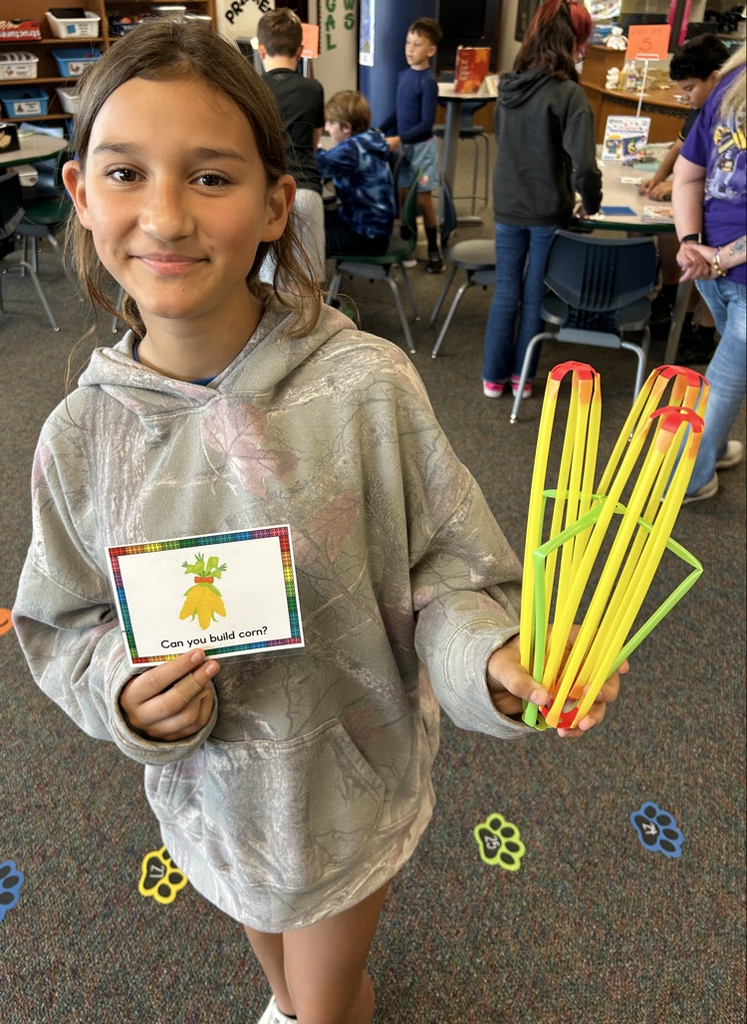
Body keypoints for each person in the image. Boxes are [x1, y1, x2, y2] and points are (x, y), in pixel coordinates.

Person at [12, 21, 623, 1024]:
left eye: (210, 178)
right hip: (214, 804)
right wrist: (124, 696)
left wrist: (496, 664)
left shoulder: (366, 388)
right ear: (81, 196)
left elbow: (444, 573)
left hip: (349, 791)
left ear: (270, 204)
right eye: (126, 172)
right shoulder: (80, 439)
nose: (163, 216)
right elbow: (66, 624)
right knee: (284, 971)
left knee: (323, 1003)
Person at [481, 0, 601, 401]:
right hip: (549, 208)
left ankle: (493, 379)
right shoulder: (569, 95)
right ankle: (522, 377)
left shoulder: (508, 85)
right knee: (534, 292)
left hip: (508, 202)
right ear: (573, 41)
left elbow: (506, 140)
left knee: (505, 290)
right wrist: (592, 201)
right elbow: (585, 164)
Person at [673, 43, 746, 505]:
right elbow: (688, 175)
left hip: (715, 262)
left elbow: (687, 176)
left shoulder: (730, 88)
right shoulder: (729, 91)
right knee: (727, 377)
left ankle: (705, 461)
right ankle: (704, 466)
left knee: (725, 374)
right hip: (715, 264)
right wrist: (695, 248)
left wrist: (696, 248)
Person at [638, 34, 729, 363]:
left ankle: (703, 334)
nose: (685, 97)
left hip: (720, 219)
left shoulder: (727, 114)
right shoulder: (700, 108)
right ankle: (674, 304)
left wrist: (674, 183)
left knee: (711, 273)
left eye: (690, 88)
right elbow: (681, 147)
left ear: (715, 78)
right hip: (698, 213)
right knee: (679, 247)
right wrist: (662, 178)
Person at [257, 7, 326, 285]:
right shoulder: (314, 89)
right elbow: (314, 140)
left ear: (262, 50)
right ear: (300, 50)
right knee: (309, 283)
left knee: (268, 283)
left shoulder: (254, 88)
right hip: (306, 190)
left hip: (268, 193)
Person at [378, 17, 445, 273]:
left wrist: (398, 139)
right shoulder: (403, 76)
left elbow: (426, 123)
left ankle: (433, 250)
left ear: (430, 50)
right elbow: (398, 112)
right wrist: (380, 130)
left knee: (424, 201)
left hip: (423, 150)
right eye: (408, 42)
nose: (409, 49)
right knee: (404, 197)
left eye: (417, 44)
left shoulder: (428, 82)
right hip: (405, 148)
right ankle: (407, 246)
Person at [316, 90, 396, 258]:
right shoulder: (370, 138)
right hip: (376, 230)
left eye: (331, 123)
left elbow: (317, 165)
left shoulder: (352, 151)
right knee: (311, 219)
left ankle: (310, 283)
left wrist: (310, 143)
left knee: (305, 238)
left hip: (366, 236)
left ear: (346, 127)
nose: (327, 127)